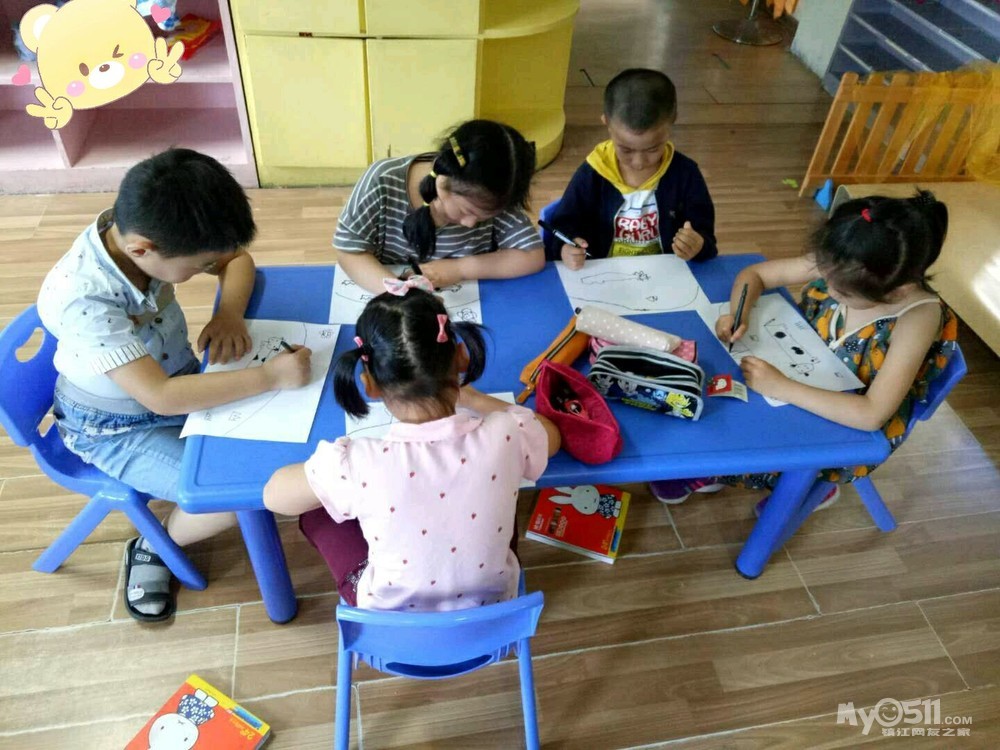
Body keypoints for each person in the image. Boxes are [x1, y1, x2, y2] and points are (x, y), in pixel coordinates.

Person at [36, 148, 314, 621]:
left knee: (270, 448)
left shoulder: (145, 230)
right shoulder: (85, 300)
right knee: (233, 495)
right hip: (114, 427)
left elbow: (238, 260)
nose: (201, 272)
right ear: (143, 249)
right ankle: (154, 543)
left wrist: (229, 314)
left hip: (177, 379)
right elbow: (161, 399)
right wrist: (270, 376)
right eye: (196, 267)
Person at [650, 190, 958, 509]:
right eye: (826, 276)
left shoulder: (918, 317)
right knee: (719, 396)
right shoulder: (847, 261)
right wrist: (739, 312)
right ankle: (727, 468)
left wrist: (781, 387)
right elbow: (755, 274)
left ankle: (812, 485)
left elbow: (870, 415)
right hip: (797, 374)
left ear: (897, 290)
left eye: (842, 292)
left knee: (745, 430)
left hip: (844, 422)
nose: (829, 287)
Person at [264, 280, 561, 610]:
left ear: (368, 384)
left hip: (391, 620)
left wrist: (328, 471)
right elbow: (550, 434)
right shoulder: (509, 432)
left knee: (317, 513)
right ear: (461, 358)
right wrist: (474, 398)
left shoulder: (355, 463)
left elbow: (273, 496)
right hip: (491, 607)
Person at [333, 119, 544, 293]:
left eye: (484, 216)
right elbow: (349, 251)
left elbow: (532, 255)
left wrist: (460, 269)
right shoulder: (383, 180)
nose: (471, 223)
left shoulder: (496, 191)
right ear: (442, 184)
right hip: (386, 287)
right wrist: (398, 293)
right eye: (466, 211)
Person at [543, 68, 718, 268]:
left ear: (672, 122)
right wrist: (565, 248)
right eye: (626, 150)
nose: (639, 162)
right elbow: (562, 226)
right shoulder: (594, 172)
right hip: (603, 273)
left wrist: (698, 245)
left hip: (664, 275)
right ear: (606, 123)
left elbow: (706, 239)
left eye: (653, 149)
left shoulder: (686, 174)